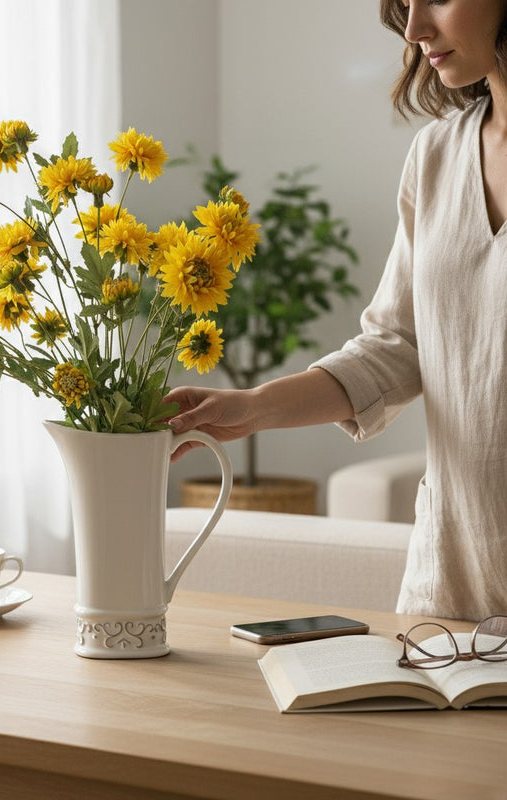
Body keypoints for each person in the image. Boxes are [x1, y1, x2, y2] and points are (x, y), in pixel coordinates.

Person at [166, 0, 507, 622]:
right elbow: (396, 346)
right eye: (406, 4)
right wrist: (252, 408)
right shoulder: (435, 157)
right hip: (451, 587)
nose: (414, 29)